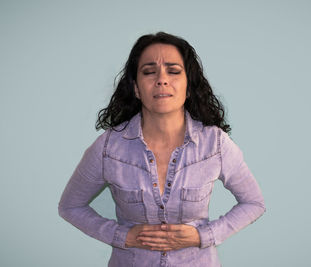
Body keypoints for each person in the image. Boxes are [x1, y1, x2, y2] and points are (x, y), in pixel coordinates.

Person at [58, 32, 266, 267]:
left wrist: (202, 236)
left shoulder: (215, 144)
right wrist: (122, 236)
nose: (161, 79)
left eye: (174, 71)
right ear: (136, 88)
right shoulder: (108, 147)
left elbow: (254, 203)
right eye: (149, 72)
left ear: (188, 86)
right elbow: (70, 206)